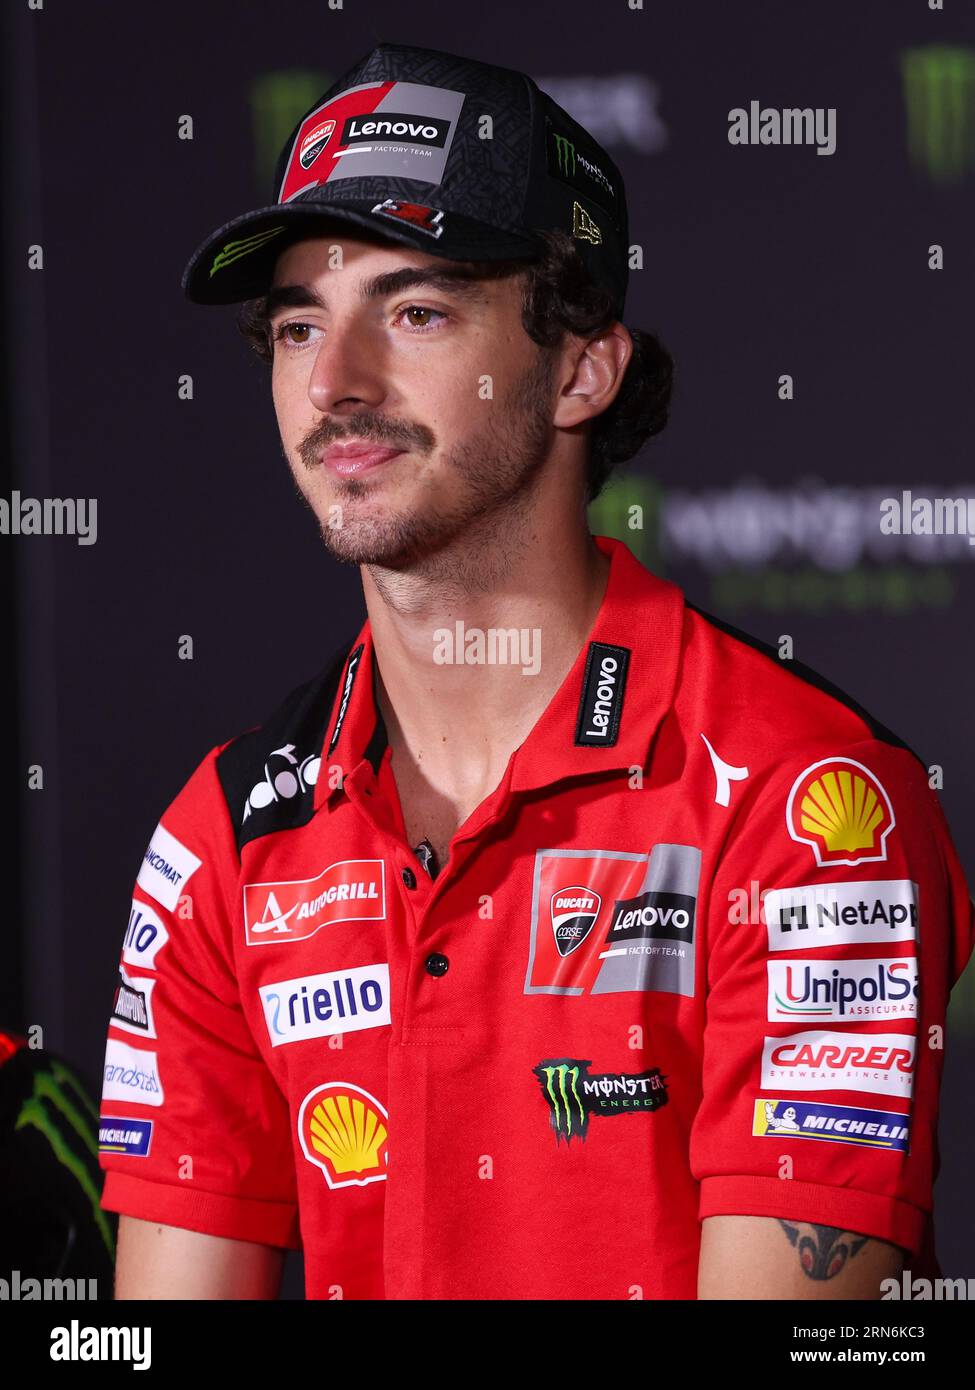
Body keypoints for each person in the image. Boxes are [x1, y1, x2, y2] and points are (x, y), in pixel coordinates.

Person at [98, 41, 974, 1301]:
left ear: (579, 368)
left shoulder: (803, 801)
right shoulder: (222, 847)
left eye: (415, 312)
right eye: (300, 325)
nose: (335, 385)